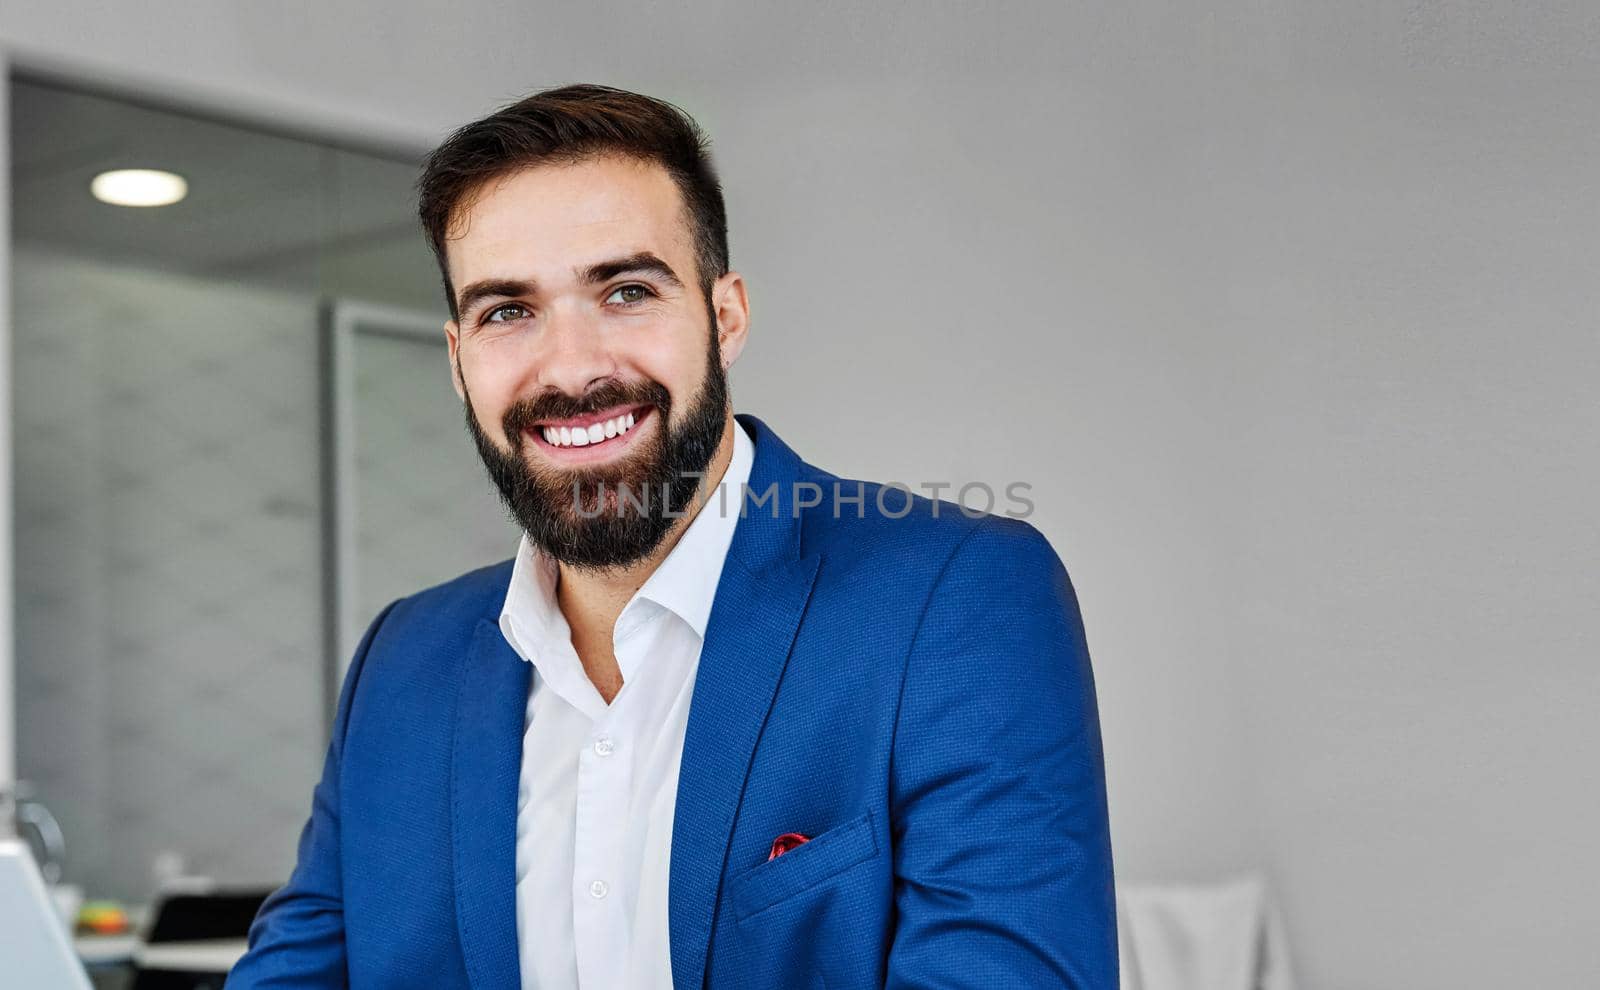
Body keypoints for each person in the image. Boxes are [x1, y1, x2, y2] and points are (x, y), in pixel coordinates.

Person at [227, 83, 1116, 989]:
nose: (572, 368)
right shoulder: (401, 664)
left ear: (723, 317)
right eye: (507, 311)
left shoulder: (959, 600)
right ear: (458, 362)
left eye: (625, 291)